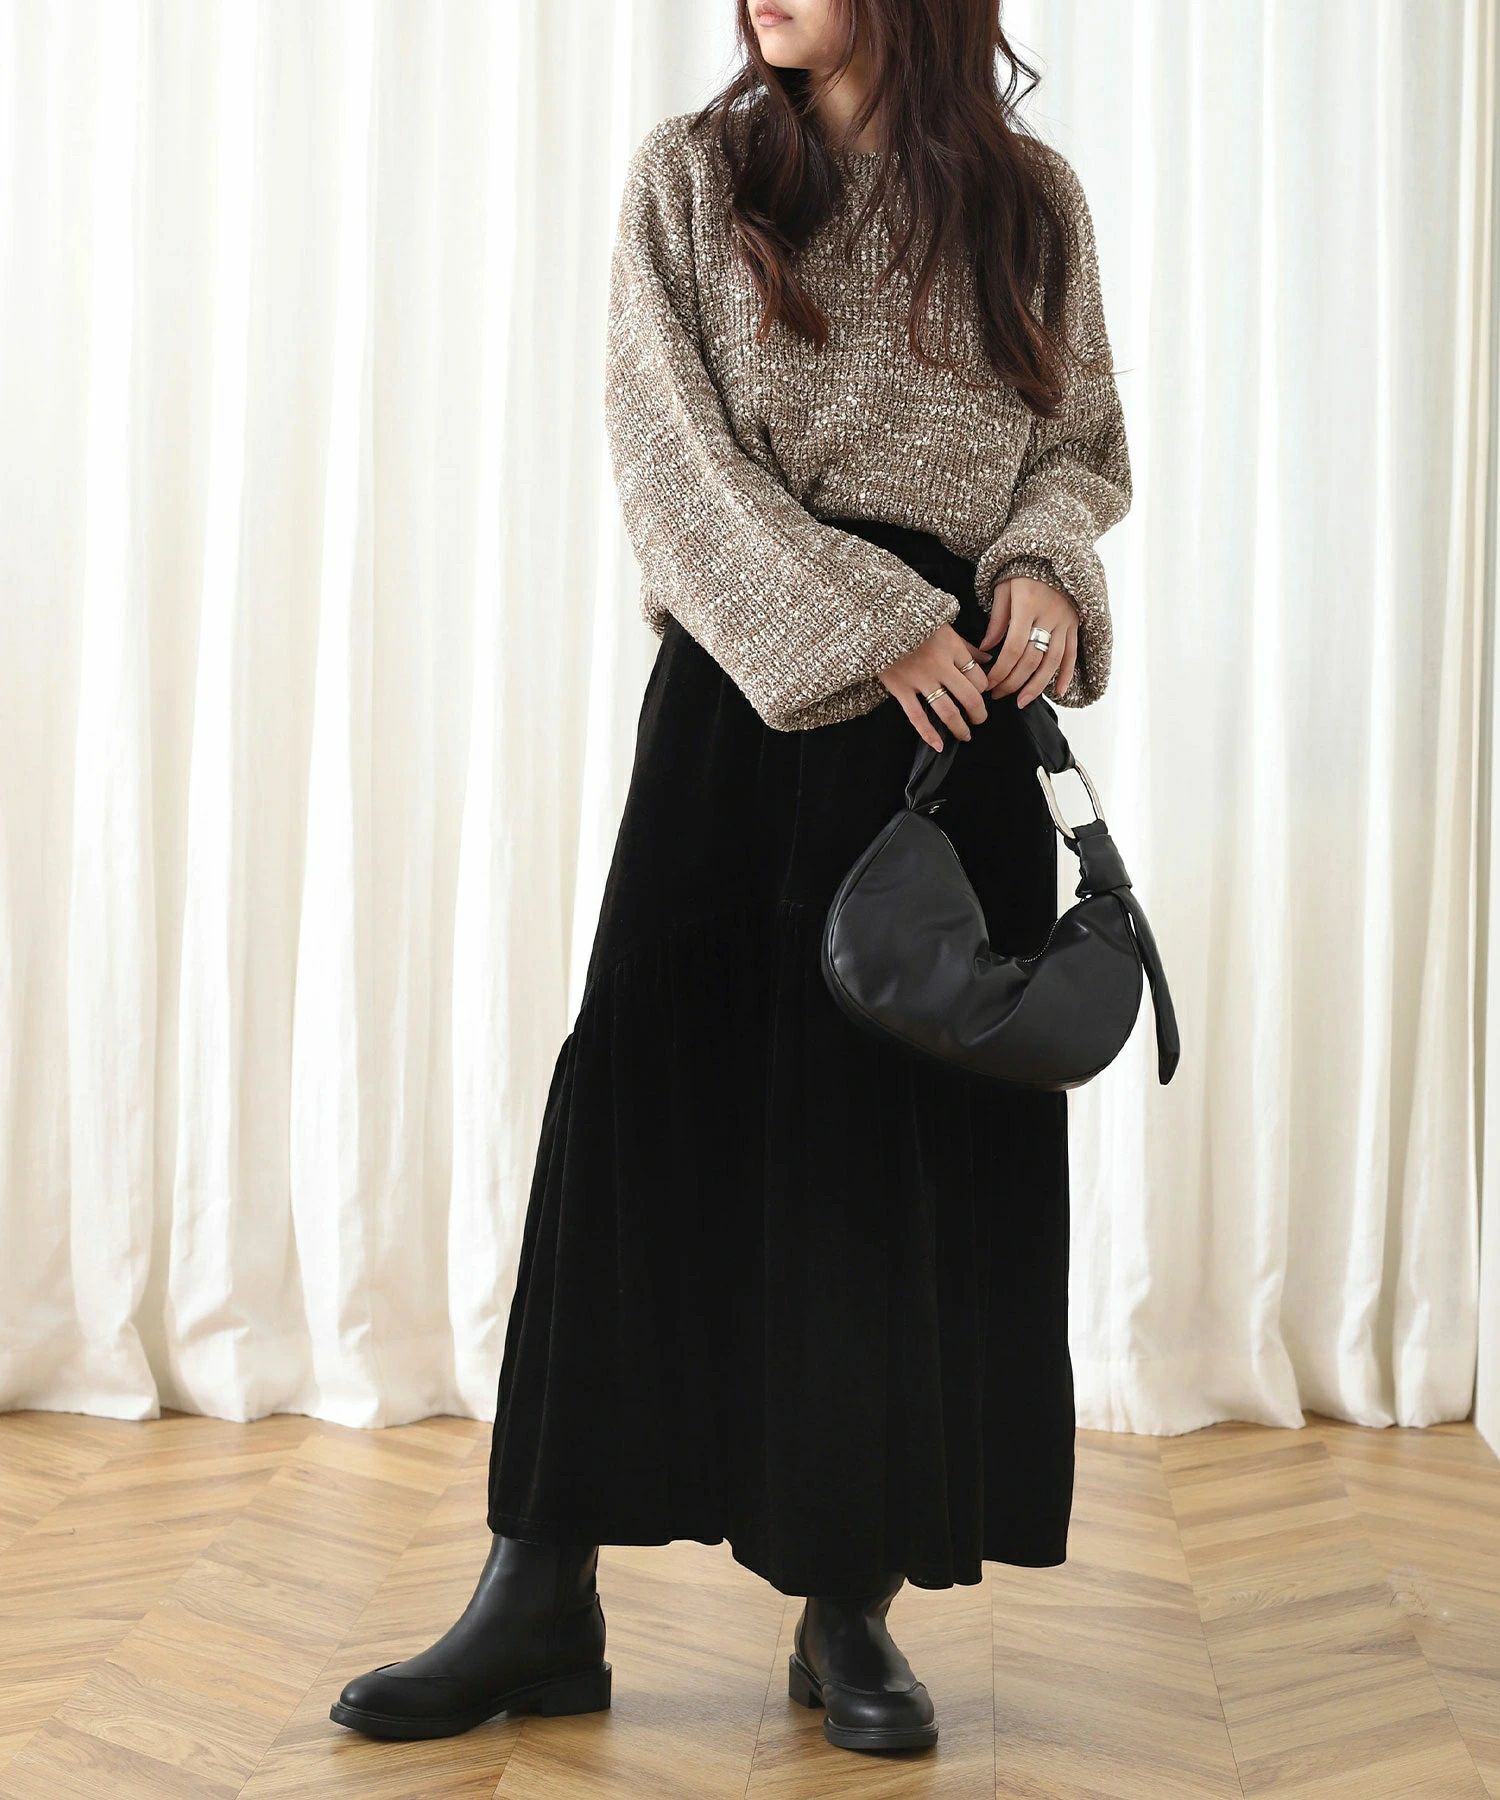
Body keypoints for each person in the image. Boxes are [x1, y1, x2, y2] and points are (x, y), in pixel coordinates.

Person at [331, 0, 1130, 1758]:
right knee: (637, 1112)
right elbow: (668, 460)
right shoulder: (695, 178)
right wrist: (868, 619)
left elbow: (1075, 450)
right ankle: (539, 1591)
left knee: (879, 1160)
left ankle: (847, 1594)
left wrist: (1045, 573)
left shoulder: (1031, 204)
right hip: (744, 711)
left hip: (952, 736)